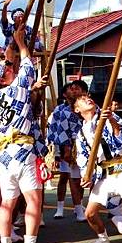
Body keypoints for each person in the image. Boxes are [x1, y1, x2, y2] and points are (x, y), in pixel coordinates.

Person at [0, 26, 49, 243]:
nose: (12, 68)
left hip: (3, 155)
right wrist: (21, 44)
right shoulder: (18, 89)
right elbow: (29, 65)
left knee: (7, 202)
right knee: (33, 199)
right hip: (22, 151)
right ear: (2, 77)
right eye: (7, 68)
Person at [74, 94, 122, 243]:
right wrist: (86, 176)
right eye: (82, 100)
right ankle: (103, 239)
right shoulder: (81, 134)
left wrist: (111, 120)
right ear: (77, 109)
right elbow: (84, 159)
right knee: (90, 214)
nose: (88, 99)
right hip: (103, 173)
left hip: (120, 167)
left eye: (88, 97)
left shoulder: (109, 116)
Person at [46, 81, 87, 221]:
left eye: (77, 89)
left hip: (85, 145)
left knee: (81, 178)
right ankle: (61, 207)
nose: (74, 91)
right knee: (67, 177)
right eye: (71, 89)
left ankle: (79, 205)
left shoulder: (87, 105)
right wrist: (59, 152)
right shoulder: (59, 110)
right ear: (65, 94)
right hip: (66, 147)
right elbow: (55, 131)